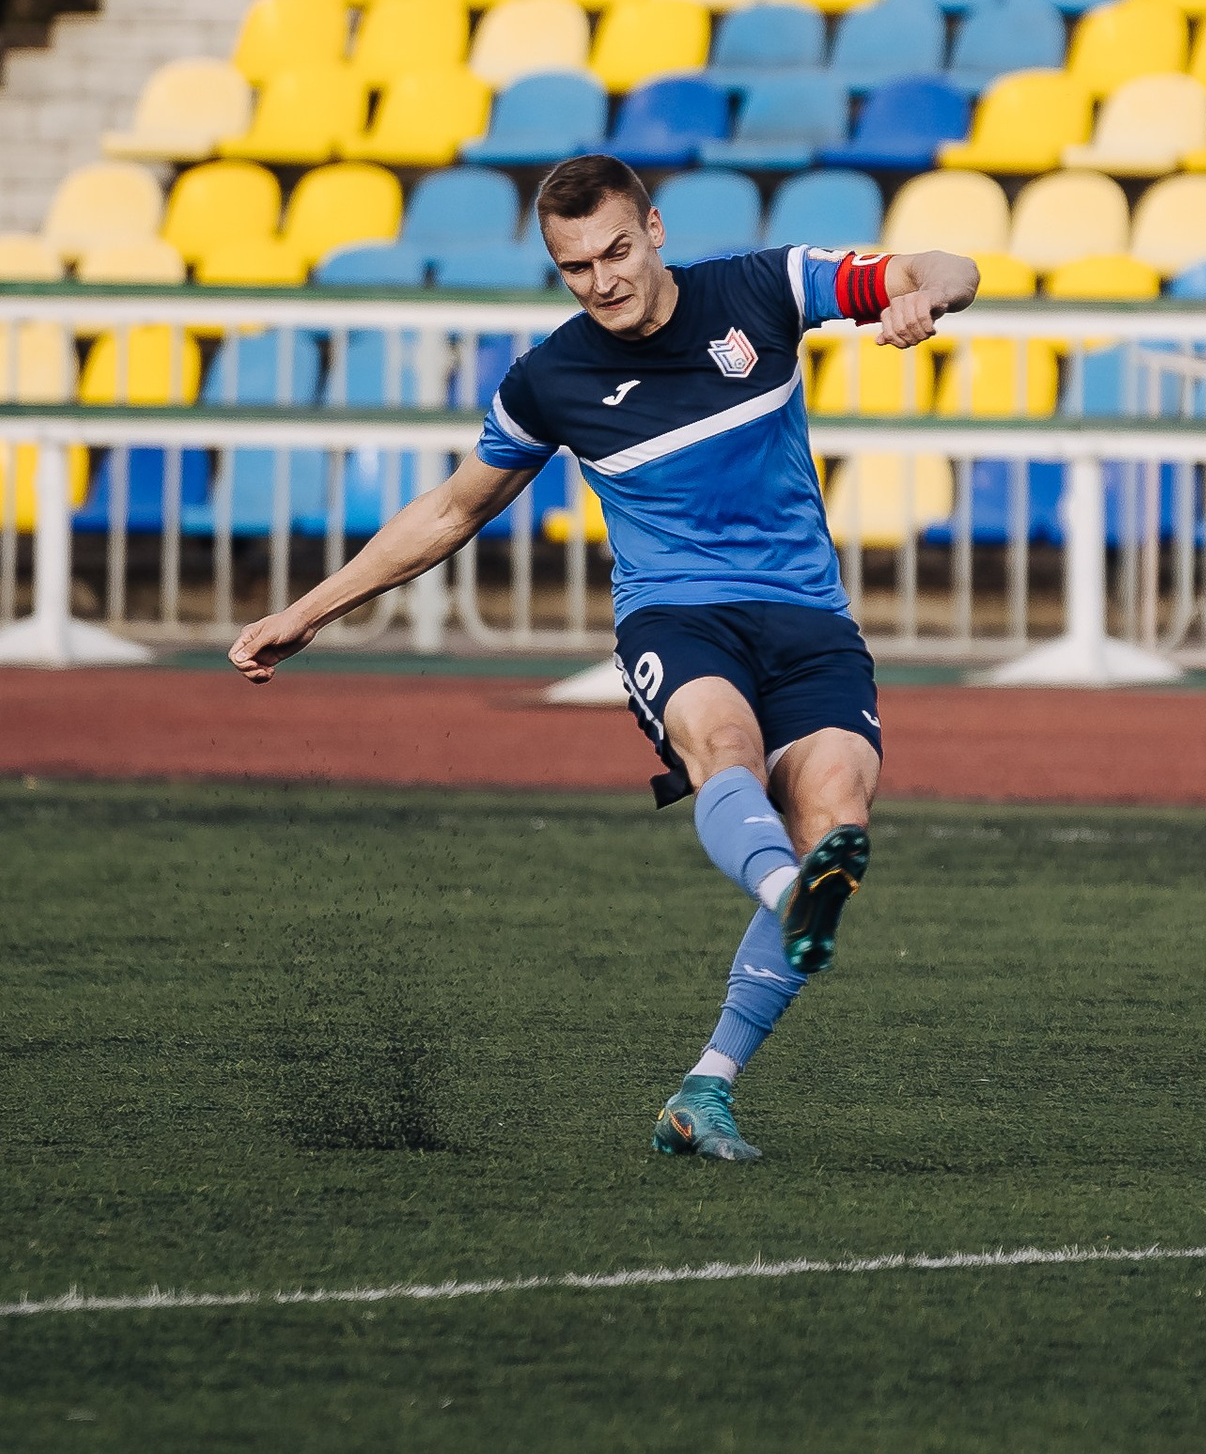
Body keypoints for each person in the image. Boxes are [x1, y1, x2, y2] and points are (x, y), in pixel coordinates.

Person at [228, 153, 981, 1164]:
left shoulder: (762, 288)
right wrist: (310, 612)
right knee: (723, 742)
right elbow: (454, 509)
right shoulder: (553, 379)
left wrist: (925, 292)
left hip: (810, 622)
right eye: (576, 266)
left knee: (837, 811)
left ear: (655, 230)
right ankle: (784, 895)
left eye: (617, 251)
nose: (603, 280)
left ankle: (703, 1093)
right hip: (678, 619)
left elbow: (941, 264)